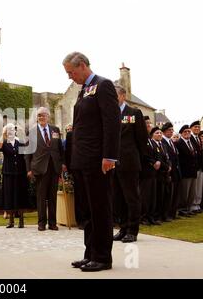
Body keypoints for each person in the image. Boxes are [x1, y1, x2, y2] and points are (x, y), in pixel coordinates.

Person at [63, 52, 120, 272]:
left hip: (98, 160)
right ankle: (90, 253)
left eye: (71, 72)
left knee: (100, 209)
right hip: (82, 161)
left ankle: (103, 257)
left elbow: (112, 123)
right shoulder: (84, 90)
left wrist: (109, 156)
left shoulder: (103, 85)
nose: (70, 77)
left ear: (83, 66)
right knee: (87, 211)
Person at [112, 86, 147, 243]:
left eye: (115, 95)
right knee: (118, 198)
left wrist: (139, 159)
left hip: (129, 162)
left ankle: (133, 230)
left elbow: (141, 138)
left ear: (123, 96)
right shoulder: (109, 113)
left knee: (131, 197)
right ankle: (123, 228)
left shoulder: (133, 113)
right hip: (113, 163)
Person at [25, 107, 64, 232]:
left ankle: (52, 223)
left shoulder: (55, 130)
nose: (41, 117)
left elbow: (60, 149)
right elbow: (27, 153)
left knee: (53, 196)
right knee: (41, 197)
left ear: (48, 116)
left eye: (44, 115)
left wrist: (62, 163)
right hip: (40, 168)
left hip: (54, 167)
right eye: (39, 115)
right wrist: (28, 169)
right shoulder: (31, 132)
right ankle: (41, 223)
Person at [0, 123, 29, 228]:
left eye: (12, 130)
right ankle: (10, 221)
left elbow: (27, 151)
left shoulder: (20, 142)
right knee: (9, 196)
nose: (11, 131)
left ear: (15, 131)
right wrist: (3, 133)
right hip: (8, 173)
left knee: (20, 195)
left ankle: (21, 221)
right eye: (8, 130)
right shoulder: (5, 143)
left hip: (20, 173)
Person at [176, 125, 198, 217]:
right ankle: (182, 209)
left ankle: (188, 208)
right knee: (184, 192)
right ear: (181, 133)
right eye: (185, 132)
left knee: (191, 193)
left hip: (193, 172)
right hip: (185, 172)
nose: (187, 133)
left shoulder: (192, 142)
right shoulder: (179, 143)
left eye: (189, 131)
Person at [161, 122, 182, 220]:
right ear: (164, 131)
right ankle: (167, 214)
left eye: (172, 130)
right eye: (170, 130)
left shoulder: (171, 142)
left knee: (175, 194)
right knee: (169, 195)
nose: (171, 132)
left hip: (176, 172)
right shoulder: (163, 142)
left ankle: (173, 213)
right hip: (169, 172)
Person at [190, 121, 203, 213]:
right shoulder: (190, 138)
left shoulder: (198, 139)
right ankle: (193, 204)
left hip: (200, 167)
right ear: (191, 128)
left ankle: (197, 204)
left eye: (198, 127)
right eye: (195, 127)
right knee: (194, 188)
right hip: (194, 167)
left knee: (199, 187)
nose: (197, 128)